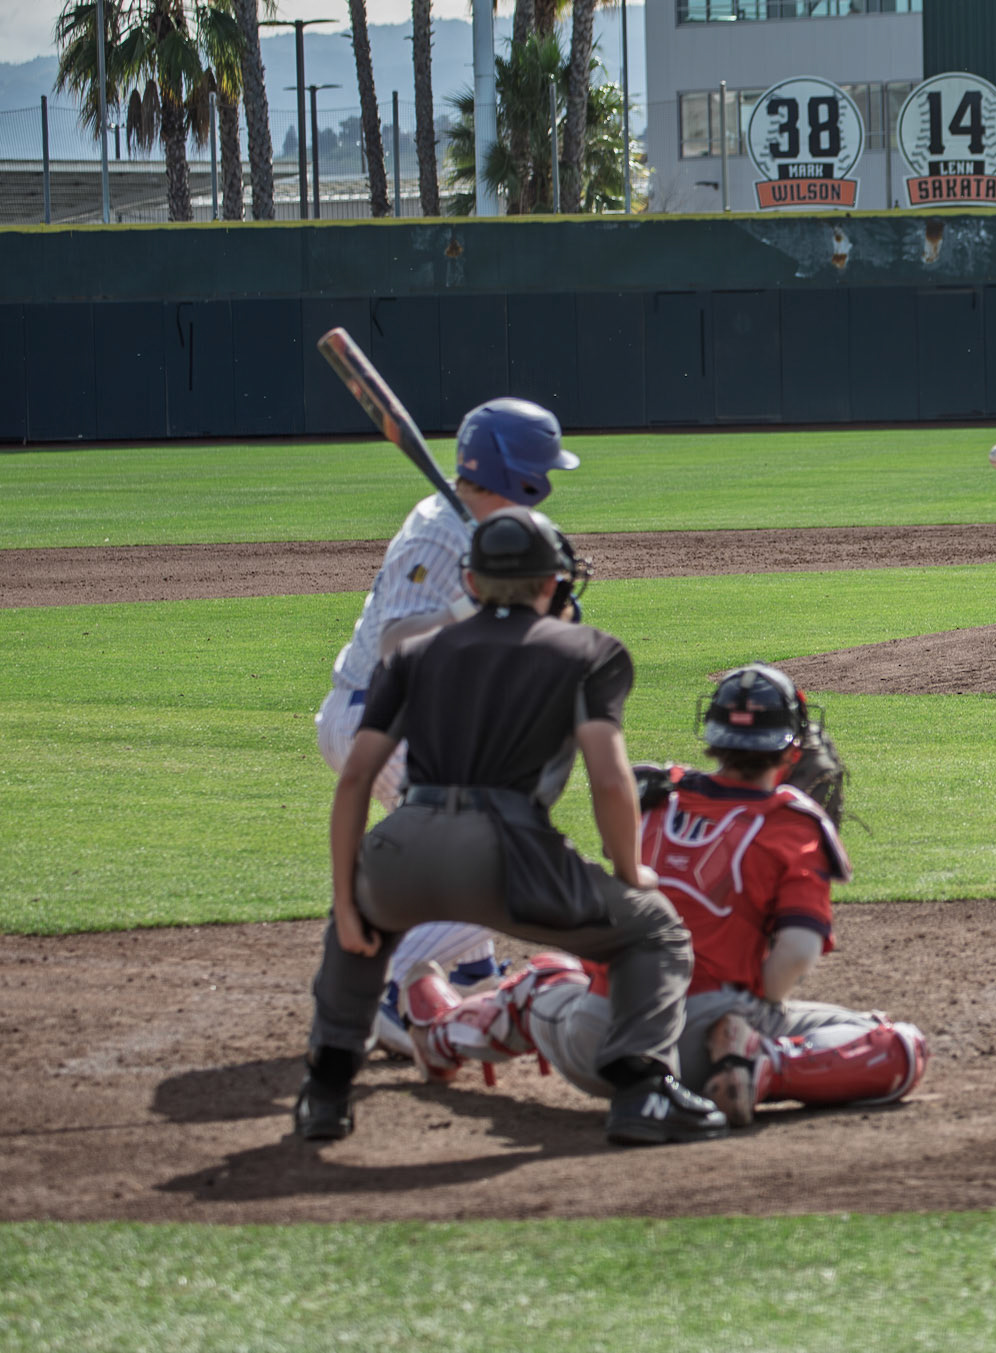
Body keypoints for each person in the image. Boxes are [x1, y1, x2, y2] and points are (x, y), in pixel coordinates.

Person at [293, 506, 728, 1148]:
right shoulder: (590, 650)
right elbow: (609, 779)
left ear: (470, 582)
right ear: (553, 584)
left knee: (358, 930)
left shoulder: (411, 653)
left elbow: (357, 778)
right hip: (511, 853)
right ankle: (643, 1091)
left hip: (405, 843)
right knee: (655, 932)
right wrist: (630, 868)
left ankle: (324, 1095)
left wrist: (345, 899)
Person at [397, 663, 928, 1128]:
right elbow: (796, 953)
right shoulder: (791, 824)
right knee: (896, 1044)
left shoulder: (650, 795)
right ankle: (761, 1064)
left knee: (544, 980)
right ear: (790, 747)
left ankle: (439, 1037)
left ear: (712, 734)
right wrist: (756, 1007)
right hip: (698, 1047)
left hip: (594, 1040)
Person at [314, 397, 579, 1057]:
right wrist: (473, 599)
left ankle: (471, 975)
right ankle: (383, 977)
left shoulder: (511, 530)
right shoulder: (438, 528)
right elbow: (397, 640)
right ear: (519, 471)